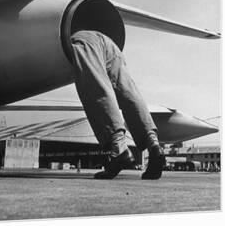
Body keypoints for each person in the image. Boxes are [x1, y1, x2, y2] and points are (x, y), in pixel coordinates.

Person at [70, 29, 165, 180]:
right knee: (128, 92)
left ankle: (119, 149)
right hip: (109, 43)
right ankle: (154, 146)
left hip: (82, 40)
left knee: (95, 88)